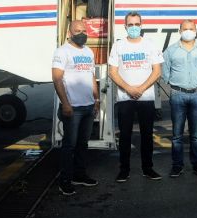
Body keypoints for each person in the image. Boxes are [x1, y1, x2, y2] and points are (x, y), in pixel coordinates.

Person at [108, 12, 164, 182]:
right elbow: (112, 72)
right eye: (130, 25)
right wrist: (129, 89)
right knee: (125, 136)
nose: (134, 27)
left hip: (145, 98)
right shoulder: (118, 46)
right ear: (125, 26)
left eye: (136, 24)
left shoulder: (150, 45)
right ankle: (124, 170)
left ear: (141, 25)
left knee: (147, 136)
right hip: (125, 98)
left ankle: (148, 169)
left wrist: (140, 88)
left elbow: (157, 71)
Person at [52, 20, 100, 196]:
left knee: (82, 144)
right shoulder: (62, 51)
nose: (82, 33)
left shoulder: (88, 51)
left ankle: (79, 175)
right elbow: (57, 79)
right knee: (69, 145)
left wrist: (96, 99)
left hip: (88, 106)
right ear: (70, 33)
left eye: (84, 30)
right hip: (73, 108)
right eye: (77, 31)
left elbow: (91, 76)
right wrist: (65, 104)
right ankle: (65, 180)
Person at [162, 19, 197, 178]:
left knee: (196, 134)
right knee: (177, 135)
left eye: (191, 28)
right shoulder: (170, 51)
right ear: (179, 30)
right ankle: (177, 165)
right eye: (185, 28)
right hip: (178, 94)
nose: (188, 31)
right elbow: (165, 73)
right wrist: (177, 84)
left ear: (196, 31)